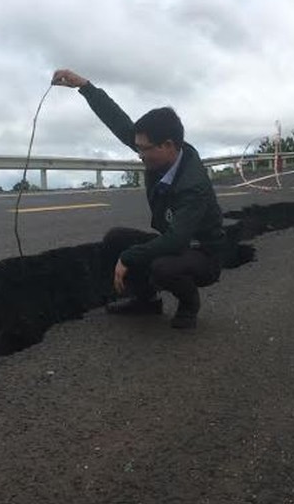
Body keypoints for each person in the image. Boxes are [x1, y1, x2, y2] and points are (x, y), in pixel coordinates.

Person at [51, 69, 226, 329]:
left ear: (168, 145)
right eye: (138, 147)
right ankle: (146, 300)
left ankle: (189, 304)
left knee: (160, 266)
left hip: (203, 252)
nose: (139, 155)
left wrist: (129, 257)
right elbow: (118, 121)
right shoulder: (161, 152)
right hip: (176, 242)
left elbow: (177, 240)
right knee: (115, 238)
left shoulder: (193, 186)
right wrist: (84, 86)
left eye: (144, 149)